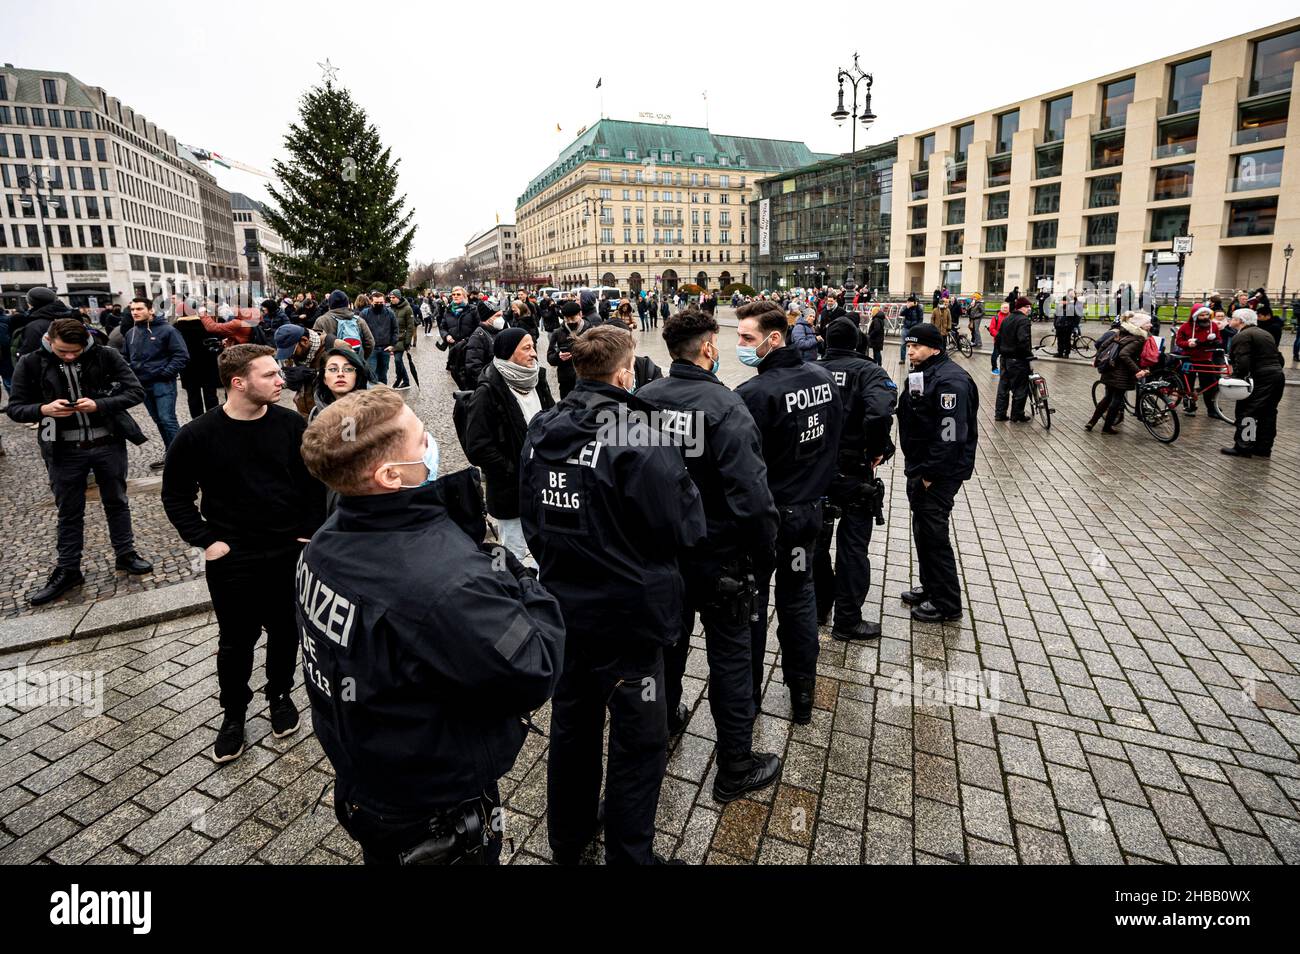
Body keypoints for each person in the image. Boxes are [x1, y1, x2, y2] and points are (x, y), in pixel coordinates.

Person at [298, 387, 564, 864]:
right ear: (390, 475)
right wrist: (518, 577)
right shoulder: (447, 585)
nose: (434, 442)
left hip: (369, 773)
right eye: (422, 439)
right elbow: (534, 667)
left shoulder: (325, 541)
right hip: (434, 807)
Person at [520, 325, 707, 864]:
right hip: (630, 617)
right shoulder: (641, 433)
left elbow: (531, 516)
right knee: (639, 741)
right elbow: (682, 524)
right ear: (625, 373)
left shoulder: (542, 427)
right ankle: (630, 854)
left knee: (573, 725)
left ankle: (569, 838)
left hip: (566, 609)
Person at [638, 308, 783, 804]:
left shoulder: (641, 401)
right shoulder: (725, 406)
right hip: (721, 558)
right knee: (730, 659)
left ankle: (667, 720)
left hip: (663, 556)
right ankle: (734, 767)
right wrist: (765, 553)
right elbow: (753, 497)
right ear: (707, 349)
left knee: (668, 650)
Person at [161, 344, 326, 763]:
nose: (281, 380)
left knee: (286, 631)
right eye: (270, 374)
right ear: (239, 382)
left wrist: (308, 531)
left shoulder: (291, 425)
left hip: (287, 551)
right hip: (232, 556)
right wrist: (205, 541)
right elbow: (177, 495)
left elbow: (313, 485)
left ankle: (280, 695)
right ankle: (233, 715)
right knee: (236, 641)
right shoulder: (197, 435)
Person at [734, 301, 843, 724]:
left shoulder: (753, 394)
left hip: (768, 521)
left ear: (773, 338)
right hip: (807, 514)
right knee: (799, 600)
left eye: (747, 338)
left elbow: (743, 466)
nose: (740, 345)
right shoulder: (822, 377)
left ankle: (751, 697)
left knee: (756, 605)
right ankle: (803, 695)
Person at [7, 318, 153, 604]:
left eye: (76, 351)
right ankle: (68, 568)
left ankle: (125, 554)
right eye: (63, 352)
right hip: (62, 447)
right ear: (49, 341)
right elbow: (15, 408)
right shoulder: (31, 362)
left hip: (107, 442)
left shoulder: (105, 354)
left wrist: (100, 403)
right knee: (68, 510)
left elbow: (135, 391)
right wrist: (43, 409)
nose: (71, 356)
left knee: (117, 501)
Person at [814, 317, 897, 640]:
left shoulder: (810, 371)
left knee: (817, 544)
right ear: (858, 342)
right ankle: (847, 621)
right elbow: (880, 412)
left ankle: (821, 606)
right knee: (852, 548)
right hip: (854, 470)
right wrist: (878, 449)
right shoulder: (870, 372)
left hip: (818, 472)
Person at [897, 323, 977, 623]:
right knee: (923, 531)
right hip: (920, 466)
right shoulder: (924, 372)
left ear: (936, 349)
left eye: (917, 346)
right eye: (909, 345)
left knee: (934, 535)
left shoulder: (950, 381)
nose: (911, 350)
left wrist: (930, 474)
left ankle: (947, 603)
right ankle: (931, 587)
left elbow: (950, 435)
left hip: (938, 472)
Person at [463, 328, 555, 562]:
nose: (534, 353)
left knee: (543, 549)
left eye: (533, 346)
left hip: (542, 484)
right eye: (526, 348)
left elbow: (552, 418)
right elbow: (478, 447)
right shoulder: (487, 391)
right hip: (510, 491)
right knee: (514, 553)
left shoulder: (537, 378)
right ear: (507, 352)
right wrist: (514, 470)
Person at [121, 297, 188, 469]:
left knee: (167, 419)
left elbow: (181, 355)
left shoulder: (167, 330)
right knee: (158, 420)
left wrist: (165, 373)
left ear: (150, 310)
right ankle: (170, 453)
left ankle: (181, 456)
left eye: (139, 309)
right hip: (142, 384)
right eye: (132, 309)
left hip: (162, 383)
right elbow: (125, 357)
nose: (135, 312)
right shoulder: (131, 333)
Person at [1222, 308, 1285, 458]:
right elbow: (1279, 357)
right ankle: (1263, 448)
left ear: (1240, 321)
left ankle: (1243, 447)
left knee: (1248, 411)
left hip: (1261, 377)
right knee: (1268, 413)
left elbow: (1242, 362)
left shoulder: (1243, 335)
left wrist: (1237, 378)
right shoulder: (1264, 333)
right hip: (1276, 375)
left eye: (1233, 318)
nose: (1230, 320)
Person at [1085, 311, 1150, 434]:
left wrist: (1097, 360)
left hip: (1109, 369)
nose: (1150, 325)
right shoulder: (1139, 338)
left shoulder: (1121, 332)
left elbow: (1104, 345)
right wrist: (1137, 370)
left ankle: (1092, 422)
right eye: (1147, 323)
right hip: (1122, 373)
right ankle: (1107, 427)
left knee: (1107, 398)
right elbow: (1124, 355)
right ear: (1140, 325)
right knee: (1116, 400)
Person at [1174, 306, 1231, 421]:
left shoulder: (1213, 325)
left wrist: (1216, 342)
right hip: (1188, 359)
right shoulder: (1186, 327)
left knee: (1210, 385)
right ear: (1195, 316)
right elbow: (1179, 341)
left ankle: (1212, 409)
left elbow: (1219, 339)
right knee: (1187, 384)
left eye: (1206, 315)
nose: (1205, 317)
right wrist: (1187, 344)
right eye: (1202, 315)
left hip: (1206, 359)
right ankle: (1189, 406)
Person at [174, 307, 222, 418]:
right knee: (210, 394)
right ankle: (213, 419)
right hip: (208, 364)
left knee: (193, 396)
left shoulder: (176, 328)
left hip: (188, 366)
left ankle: (197, 421)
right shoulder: (205, 325)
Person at [994, 296, 1034, 422]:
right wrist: (1028, 354)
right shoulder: (1023, 320)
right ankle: (1017, 414)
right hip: (1018, 360)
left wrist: (1001, 351)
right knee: (1020, 388)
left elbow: (998, 338)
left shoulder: (1007, 318)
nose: (1029, 309)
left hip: (1005, 359)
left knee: (1003, 387)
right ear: (1021, 308)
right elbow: (1023, 340)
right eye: (1027, 307)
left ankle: (1000, 414)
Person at [311, 290, 375, 361]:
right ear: (347, 303)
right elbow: (370, 343)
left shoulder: (321, 321)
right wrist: (361, 359)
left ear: (330, 304)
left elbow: (314, 344)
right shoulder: (359, 320)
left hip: (330, 364)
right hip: (354, 363)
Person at [546, 300, 589, 399]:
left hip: (587, 380)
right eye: (566, 319)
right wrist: (558, 356)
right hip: (566, 382)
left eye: (572, 318)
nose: (569, 322)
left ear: (580, 314)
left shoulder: (590, 330)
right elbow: (550, 358)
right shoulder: (557, 333)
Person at [359, 290, 399, 385]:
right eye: (377, 303)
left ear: (384, 302)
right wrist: (365, 346)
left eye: (381, 302)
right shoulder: (364, 314)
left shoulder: (390, 313)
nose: (379, 304)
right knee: (372, 375)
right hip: (371, 349)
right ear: (371, 302)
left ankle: (383, 395)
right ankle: (373, 396)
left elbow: (395, 329)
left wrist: (392, 344)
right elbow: (359, 331)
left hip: (385, 349)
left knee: (383, 375)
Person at [462, 300, 504, 386]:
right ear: (487, 318)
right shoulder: (478, 336)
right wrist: (487, 384)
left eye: (501, 315)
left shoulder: (496, 331)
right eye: (498, 316)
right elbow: (473, 366)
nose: (501, 319)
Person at [388, 289, 416, 389]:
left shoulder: (407, 309)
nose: (391, 299)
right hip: (393, 339)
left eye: (393, 297)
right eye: (390, 298)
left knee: (397, 360)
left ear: (398, 297)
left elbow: (410, 326)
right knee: (398, 361)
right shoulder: (390, 308)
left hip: (402, 339)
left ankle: (400, 378)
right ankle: (405, 380)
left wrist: (408, 342)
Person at [900, 293, 924, 364]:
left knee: (914, 345)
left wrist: (917, 328)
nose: (909, 303)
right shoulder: (906, 307)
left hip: (914, 329)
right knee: (903, 344)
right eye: (908, 302)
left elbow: (920, 319)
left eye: (910, 302)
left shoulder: (918, 308)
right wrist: (907, 308)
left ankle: (913, 360)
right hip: (906, 328)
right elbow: (901, 314)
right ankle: (902, 359)